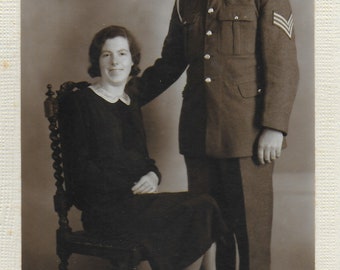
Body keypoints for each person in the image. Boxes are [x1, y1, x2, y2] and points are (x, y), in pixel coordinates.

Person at [136, 1, 299, 270]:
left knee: (251, 238)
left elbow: (283, 62)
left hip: (247, 134)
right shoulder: (185, 3)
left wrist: (274, 126)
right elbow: (169, 64)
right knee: (211, 234)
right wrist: (122, 95)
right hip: (199, 135)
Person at [61, 25, 228, 270]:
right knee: (199, 209)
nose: (114, 61)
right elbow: (80, 170)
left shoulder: (130, 104)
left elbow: (143, 161)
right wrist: (127, 187)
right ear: (97, 61)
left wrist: (152, 175)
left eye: (122, 54)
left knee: (205, 205)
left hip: (137, 204)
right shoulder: (81, 102)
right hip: (104, 210)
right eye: (106, 54)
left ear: (132, 61)